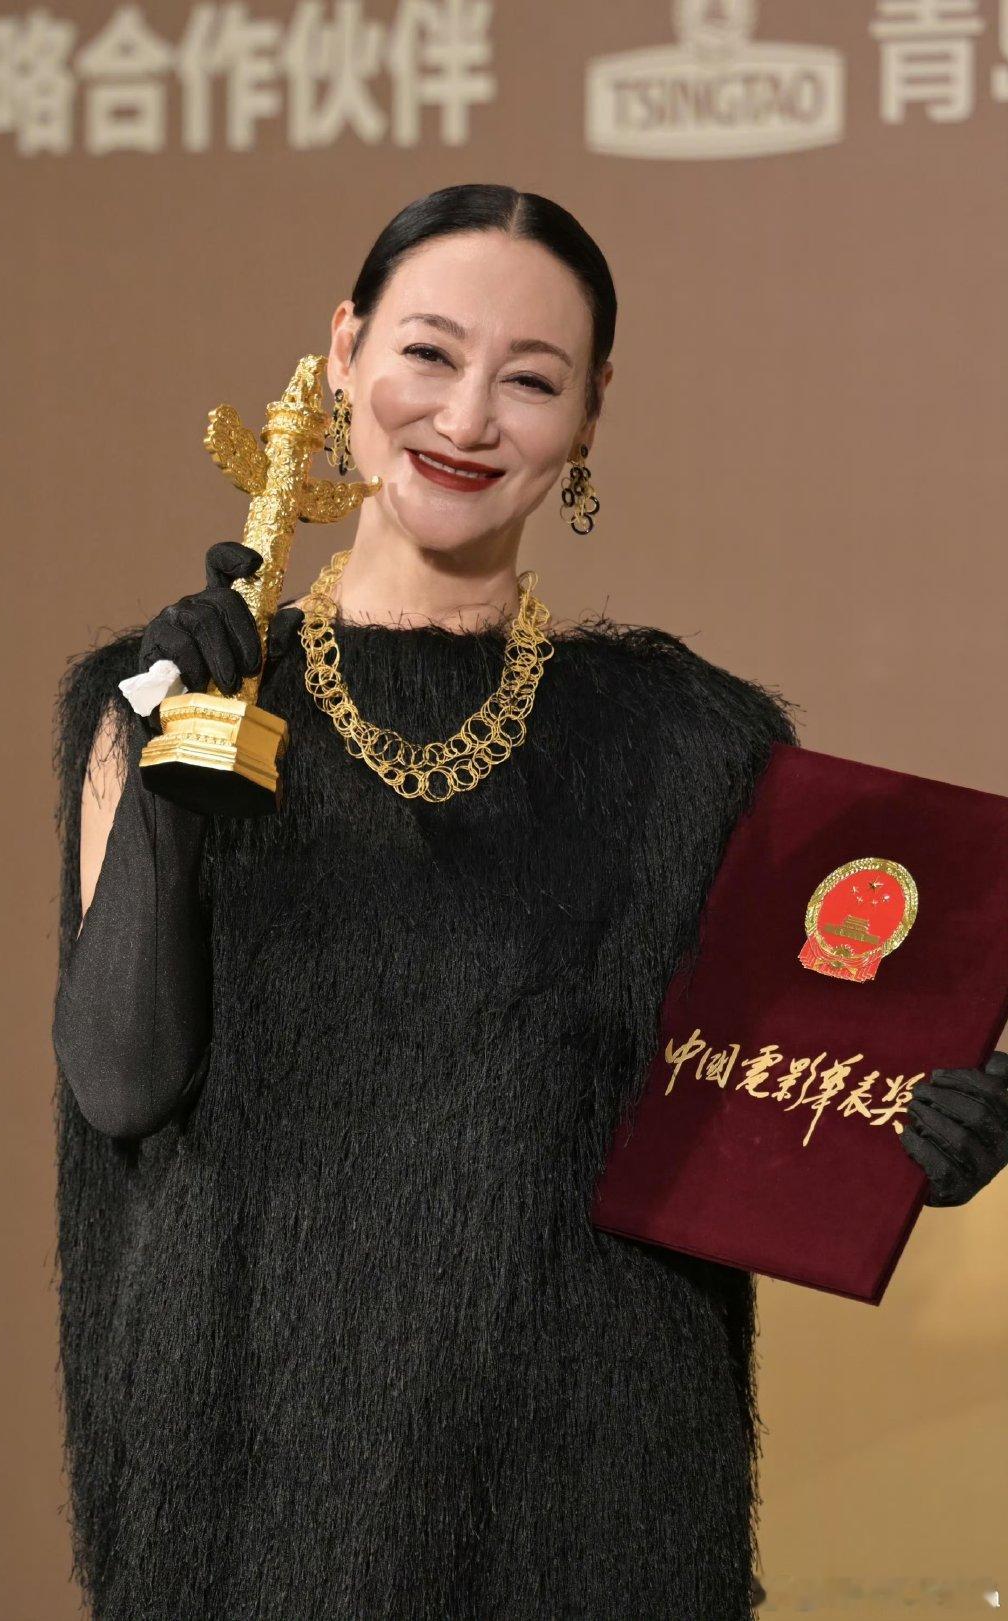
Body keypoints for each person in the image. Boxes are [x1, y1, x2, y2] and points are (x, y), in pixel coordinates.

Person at [51, 183, 1008, 1621]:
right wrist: (179, 772)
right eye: (428, 354)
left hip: (599, 1481)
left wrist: (920, 1127)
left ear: (590, 417)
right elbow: (122, 1086)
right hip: (254, 1469)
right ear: (346, 351)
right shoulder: (164, 694)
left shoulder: (696, 742)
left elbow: (767, 1088)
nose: (466, 417)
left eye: (532, 380)